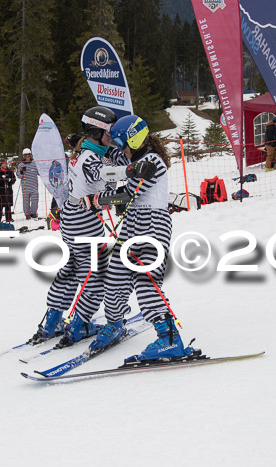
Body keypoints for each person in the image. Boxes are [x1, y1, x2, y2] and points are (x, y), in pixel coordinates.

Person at [81, 114, 195, 362]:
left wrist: (95, 201)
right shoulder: (131, 155)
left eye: (122, 144)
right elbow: (113, 158)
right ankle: (115, 323)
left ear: (135, 141)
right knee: (115, 277)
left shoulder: (151, 162)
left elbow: (127, 195)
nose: (120, 149)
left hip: (153, 225)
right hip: (132, 226)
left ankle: (169, 339)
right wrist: (90, 142)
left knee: (146, 282)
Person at [30, 106, 142, 347]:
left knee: (70, 270)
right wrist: (130, 171)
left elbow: (105, 170)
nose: (113, 136)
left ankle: (53, 321)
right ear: (97, 130)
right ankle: (79, 324)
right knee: (95, 276)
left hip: (73, 216)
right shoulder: (90, 158)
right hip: (84, 220)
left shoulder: (87, 150)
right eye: (109, 131)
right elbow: (103, 172)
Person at [16, 148, 39, 219]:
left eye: (29, 155)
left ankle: (33, 213)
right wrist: (22, 172)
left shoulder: (34, 164)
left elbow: (39, 172)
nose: (27, 156)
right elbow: (19, 176)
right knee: (26, 201)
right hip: (25, 186)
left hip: (34, 185)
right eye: (26, 155)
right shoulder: (21, 165)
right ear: (24, 156)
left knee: (35, 200)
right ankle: (27, 214)